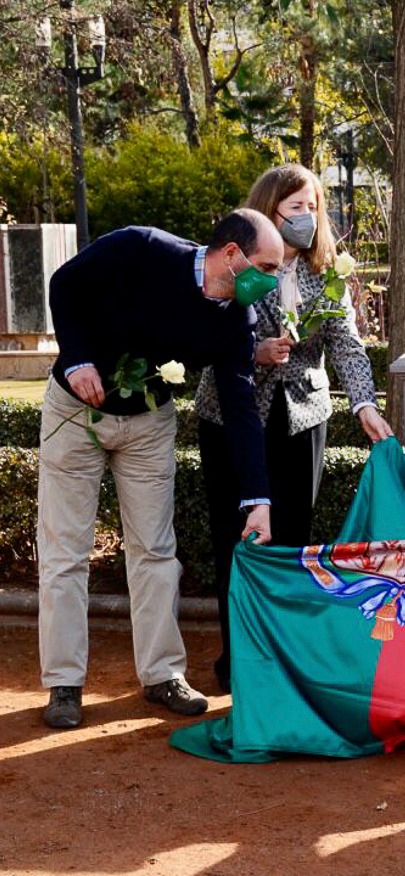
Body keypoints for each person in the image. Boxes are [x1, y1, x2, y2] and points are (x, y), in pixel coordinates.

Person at [39, 210, 283, 730]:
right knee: (65, 551)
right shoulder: (142, 246)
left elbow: (241, 410)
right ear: (233, 255)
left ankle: (162, 675)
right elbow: (65, 283)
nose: (272, 279)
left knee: (154, 550)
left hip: (149, 421)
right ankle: (63, 683)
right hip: (75, 407)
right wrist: (77, 357)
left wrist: (257, 499)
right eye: (266, 265)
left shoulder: (237, 320)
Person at [195, 164, 394, 692]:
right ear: (268, 210)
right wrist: (250, 352)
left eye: (313, 208)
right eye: (295, 208)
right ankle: (239, 660)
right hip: (231, 416)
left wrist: (364, 405)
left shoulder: (326, 271)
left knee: (292, 542)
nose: (306, 218)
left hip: (302, 416)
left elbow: (346, 342)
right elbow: (201, 336)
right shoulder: (238, 263)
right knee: (235, 539)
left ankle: (283, 661)